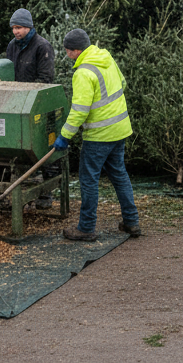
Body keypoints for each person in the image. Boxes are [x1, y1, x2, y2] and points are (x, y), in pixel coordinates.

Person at [56, 28, 141, 241]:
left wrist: (65, 136)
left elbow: (79, 110)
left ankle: (85, 228)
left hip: (99, 135)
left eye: (67, 51)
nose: (67, 55)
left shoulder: (83, 72)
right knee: (120, 175)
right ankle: (131, 222)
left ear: (75, 50)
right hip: (120, 129)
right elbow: (121, 84)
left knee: (89, 179)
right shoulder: (106, 57)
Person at [4, 8, 59, 208]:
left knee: (42, 147)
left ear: (28, 26)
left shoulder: (42, 46)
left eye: (18, 27)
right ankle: (18, 191)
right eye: (13, 28)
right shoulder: (12, 46)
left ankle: (46, 194)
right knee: (17, 147)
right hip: (16, 104)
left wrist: (28, 94)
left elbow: (46, 79)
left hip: (38, 105)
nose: (15, 32)